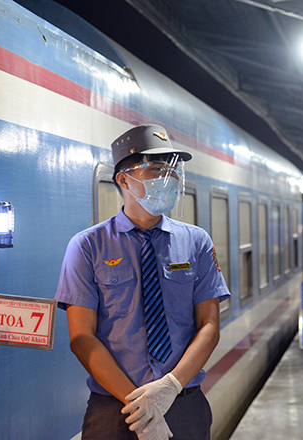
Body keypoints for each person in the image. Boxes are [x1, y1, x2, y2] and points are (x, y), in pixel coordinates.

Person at [55, 124, 231, 440]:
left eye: (173, 171)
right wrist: (140, 406)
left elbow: (209, 324)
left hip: (183, 405)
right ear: (124, 179)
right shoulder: (87, 246)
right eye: (158, 170)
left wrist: (169, 386)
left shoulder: (196, 242)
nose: (170, 179)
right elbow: (82, 336)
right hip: (115, 410)